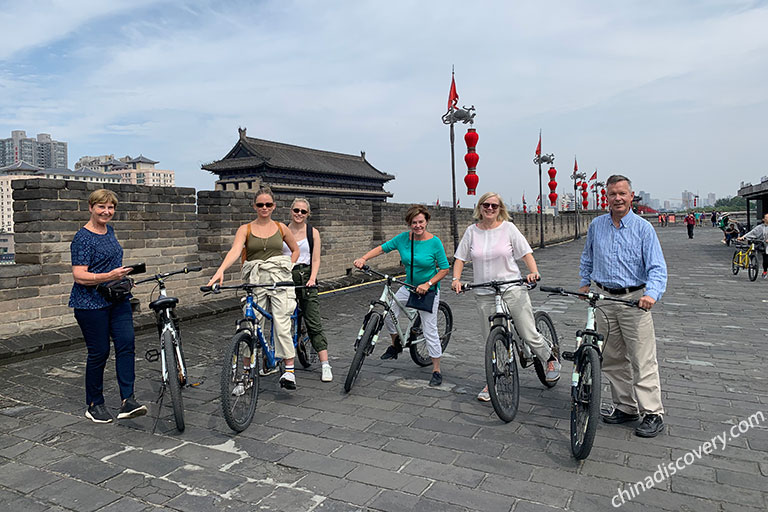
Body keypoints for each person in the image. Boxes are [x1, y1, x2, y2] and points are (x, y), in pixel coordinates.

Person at [579, 175, 668, 438]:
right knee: (612, 359)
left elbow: (657, 267)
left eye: (622, 193)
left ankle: (652, 412)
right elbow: (588, 256)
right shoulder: (597, 225)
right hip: (604, 300)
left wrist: (651, 294)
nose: (617, 198)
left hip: (634, 301)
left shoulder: (643, 228)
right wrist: (585, 284)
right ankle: (626, 407)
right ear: (606, 197)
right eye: (612, 194)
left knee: (642, 358)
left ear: (631, 197)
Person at [451, 192, 561, 402]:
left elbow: (525, 253)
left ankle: (549, 357)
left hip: (511, 287)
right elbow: (459, 258)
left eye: (494, 206)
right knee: (491, 341)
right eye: (486, 205)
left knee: (528, 333)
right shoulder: (471, 231)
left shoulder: (508, 228)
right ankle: (494, 379)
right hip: (484, 292)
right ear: (480, 207)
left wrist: (533, 272)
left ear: (500, 208)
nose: (490, 209)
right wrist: (456, 279)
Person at [207, 187, 301, 389]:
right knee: (250, 327)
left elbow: (295, 250)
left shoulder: (281, 228)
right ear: (254, 207)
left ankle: (289, 371)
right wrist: (221, 270)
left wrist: (288, 266)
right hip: (255, 277)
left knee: (281, 320)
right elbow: (235, 250)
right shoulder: (246, 229)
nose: (264, 208)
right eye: (260, 205)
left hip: (278, 277)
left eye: (268, 204)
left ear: (274, 206)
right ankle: (247, 375)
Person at [70, 189, 148, 424]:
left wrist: (123, 277)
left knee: (126, 345)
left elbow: (111, 264)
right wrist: (108, 275)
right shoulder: (82, 238)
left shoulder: (109, 231)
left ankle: (128, 400)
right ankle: (94, 403)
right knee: (100, 352)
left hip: (117, 299)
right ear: (91, 208)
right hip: (90, 304)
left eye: (111, 207)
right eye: (101, 207)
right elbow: (79, 275)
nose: (107, 211)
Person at [353, 205, 450, 386]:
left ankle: (436, 370)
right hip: (407, 285)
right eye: (414, 223)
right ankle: (396, 344)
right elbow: (382, 248)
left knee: (430, 330)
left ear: (426, 222)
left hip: (428, 289)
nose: (418, 226)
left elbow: (444, 268)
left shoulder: (434, 242)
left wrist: (428, 284)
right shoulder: (403, 239)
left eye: (421, 222)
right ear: (409, 224)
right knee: (388, 313)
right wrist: (363, 258)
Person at [282, 197, 333, 381]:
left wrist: (312, 278)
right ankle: (277, 359)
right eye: (296, 210)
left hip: (305, 277)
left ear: (308, 214)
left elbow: (316, 259)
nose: (299, 214)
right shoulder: (282, 230)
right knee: (281, 320)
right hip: (285, 277)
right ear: (291, 210)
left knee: (313, 321)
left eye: (303, 212)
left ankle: (325, 364)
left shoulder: (313, 233)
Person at [738, 213, 768, 279]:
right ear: (763, 219)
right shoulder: (760, 227)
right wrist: (743, 237)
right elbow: (752, 232)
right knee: (766, 260)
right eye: (766, 217)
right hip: (764, 245)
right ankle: (765, 271)